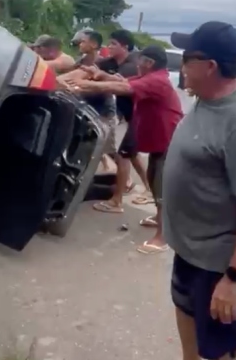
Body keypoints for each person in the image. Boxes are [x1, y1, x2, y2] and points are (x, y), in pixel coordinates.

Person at [162, 21, 236, 360]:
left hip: (218, 268)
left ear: (210, 66)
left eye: (187, 58)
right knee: (189, 344)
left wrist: (233, 280)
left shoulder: (234, 120)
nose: (181, 65)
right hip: (189, 254)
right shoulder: (206, 100)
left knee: (220, 358)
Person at [72, 44, 183, 253]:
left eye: (140, 60)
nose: (137, 63)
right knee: (153, 177)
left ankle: (163, 237)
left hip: (169, 140)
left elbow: (123, 89)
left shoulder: (157, 81)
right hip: (160, 139)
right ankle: (159, 218)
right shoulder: (151, 77)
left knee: (160, 186)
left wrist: (86, 85)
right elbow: (124, 82)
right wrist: (101, 75)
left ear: (149, 62)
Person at [90, 30, 153, 214]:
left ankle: (117, 200)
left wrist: (93, 83)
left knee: (123, 155)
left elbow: (120, 86)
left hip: (135, 116)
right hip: (124, 116)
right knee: (131, 154)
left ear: (125, 47)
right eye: (109, 43)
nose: (109, 47)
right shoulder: (110, 62)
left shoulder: (131, 67)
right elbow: (95, 68)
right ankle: (149, 188)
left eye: (113, 44)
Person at [59, 30, 120, 174]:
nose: (79, 44)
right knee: (86, 146)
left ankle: (123, 180)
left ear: (93, 44)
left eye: (83, 42)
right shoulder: (81, 61)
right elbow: (70, 77)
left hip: (104, 112)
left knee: (108, 151)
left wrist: (78, 88)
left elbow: (104, 89)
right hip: (86, 110)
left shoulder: (103, 64)